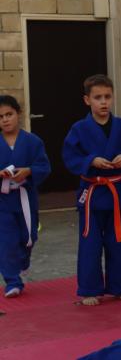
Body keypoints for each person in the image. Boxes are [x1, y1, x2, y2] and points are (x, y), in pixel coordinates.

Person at [62, 74, 121, 306]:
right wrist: (91, 160)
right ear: (87, 100)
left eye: (107, 96)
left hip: (117, 192)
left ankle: (119, 287)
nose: (103, 102)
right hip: (93, 193)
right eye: (98, 97)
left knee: (118, 243)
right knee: (90, 244)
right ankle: (89, 289)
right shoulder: (79, 129)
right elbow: (70, 156)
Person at [0, 95, 50, 298]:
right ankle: (12, 281)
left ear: (18, 114)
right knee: (6, 241)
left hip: (26, 198)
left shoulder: (33, 142)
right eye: (1, 117)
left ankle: (23, 262)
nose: (5, 119)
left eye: (9, 114)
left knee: (28, 237)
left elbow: (44, 166)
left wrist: (29, 171)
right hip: (3, 201)